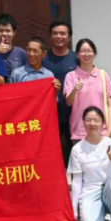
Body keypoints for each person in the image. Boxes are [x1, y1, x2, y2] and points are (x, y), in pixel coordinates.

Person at [68, 106, 111, 221]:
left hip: (110, 190)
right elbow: (77, 181)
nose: (92, 123)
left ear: (103, 123)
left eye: (96, 120)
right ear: (83, 122)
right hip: (90, 192)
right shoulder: (77, 149)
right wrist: (73, 209)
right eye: (88, 120)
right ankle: (101, 216)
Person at [64, 38, 111, 143]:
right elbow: (68, 102)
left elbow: (109, 105)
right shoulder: (71, 76)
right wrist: (75, 90)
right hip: (79, 131)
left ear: (95, 53)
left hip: (102, 131)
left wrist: (109, 129)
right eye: (82, 51)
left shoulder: (103, 75)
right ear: (77, 54)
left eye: (89, 51)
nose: (86, 54)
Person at [42, 20, 79, 166]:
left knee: (74, 151)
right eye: (55, 33)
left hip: (73, 112)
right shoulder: (43, 58)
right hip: (49, 113)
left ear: (69, 37)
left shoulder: (76, 58)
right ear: (50, 36)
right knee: (50, 151)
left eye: (62, 33)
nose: (59, 36)